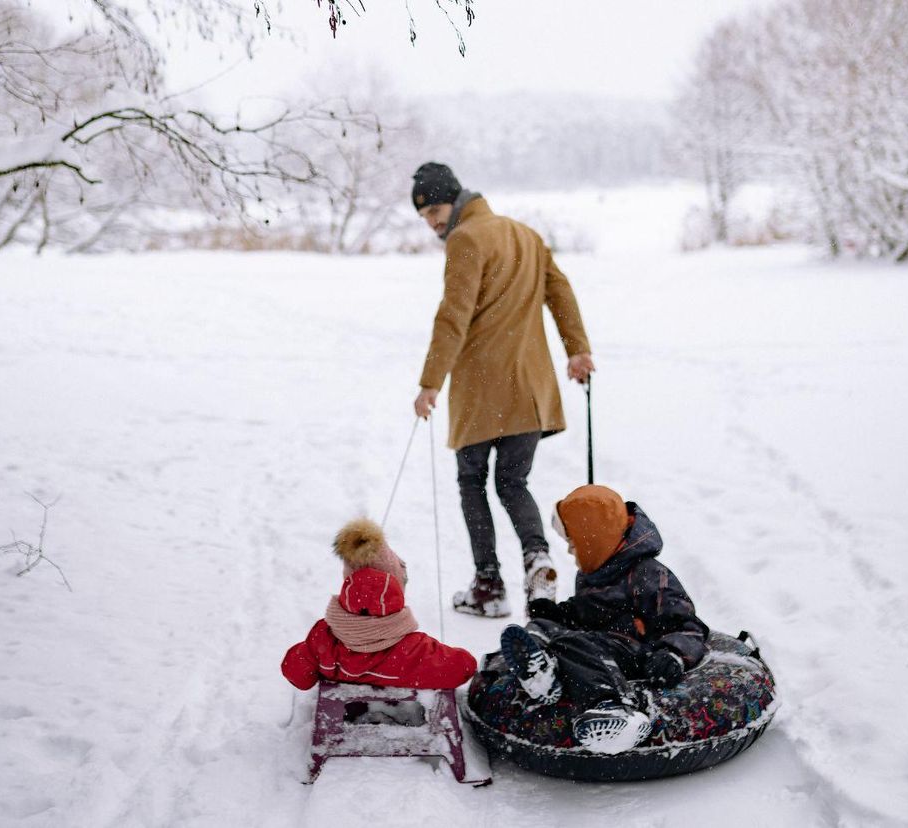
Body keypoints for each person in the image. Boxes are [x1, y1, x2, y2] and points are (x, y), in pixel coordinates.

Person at [410, 161, 594, 617]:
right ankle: (537, 560)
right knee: (513, 482)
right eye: (424, 214)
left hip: (481, 390)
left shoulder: (465, 239)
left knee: (472, 482)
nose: (432, 220)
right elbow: (561, 291)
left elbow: (453, 316)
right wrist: (577, 349)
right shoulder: (524, 234)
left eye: (435, 208)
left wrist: (430, 382)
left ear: (455, 199)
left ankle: (488, 586)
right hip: (529, 389)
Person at [498, 484, 710, 754]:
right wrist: (559, 614)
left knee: (573, 645)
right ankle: (540, 670)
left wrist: (674, 654)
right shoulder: (592, 571)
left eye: (573, 544)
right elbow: (590, 612)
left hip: (637, 651)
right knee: (544, 628)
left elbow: (688, 626)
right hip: (596, 644)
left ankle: (613, 706)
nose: (570, 552)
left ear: (593, 540)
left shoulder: (647, 574)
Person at [281, 518, 477, 690]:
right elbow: (464, 667)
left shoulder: (323, 640)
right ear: (397, 594)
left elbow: (295, 673)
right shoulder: (415, 650)